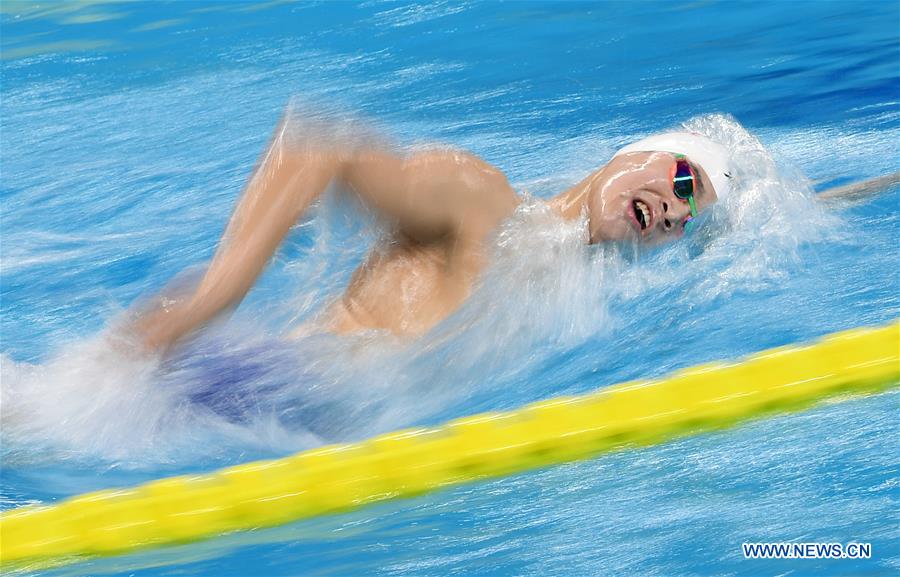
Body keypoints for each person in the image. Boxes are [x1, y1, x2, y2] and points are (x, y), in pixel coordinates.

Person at [126, 111, 892, 355]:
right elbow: (315, 147)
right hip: (243, 390)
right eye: (678, 178)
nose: (672, 207)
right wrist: (216, 297)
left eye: (688, 215)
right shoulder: (483, 199)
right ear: (631, 154)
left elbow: (802, 208)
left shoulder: (573, 280)